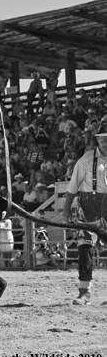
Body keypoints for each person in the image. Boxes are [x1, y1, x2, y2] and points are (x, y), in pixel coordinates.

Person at [62, 122, 107, 305]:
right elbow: (73, 187)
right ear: (97, 140)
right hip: (88, 204)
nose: (105, 142)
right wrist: (66, 209)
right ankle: (84, 292)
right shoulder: (86, 160)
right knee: (84, 246)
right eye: (102, 139)